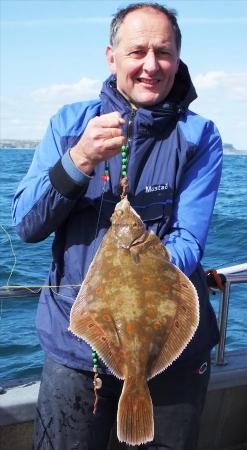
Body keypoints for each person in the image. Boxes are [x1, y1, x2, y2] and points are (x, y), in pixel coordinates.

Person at [12, 3, 223, 450]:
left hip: (173, 358)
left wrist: (139, 259)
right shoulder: (69, 125)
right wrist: (80, 160)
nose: (151, 65)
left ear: (178, 58)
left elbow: (189, 238)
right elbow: (26, 225)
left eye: (163, 52)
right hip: (75, 354)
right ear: (112, 56)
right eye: (137, 51)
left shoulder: (200, 135)